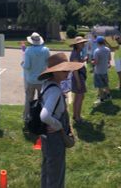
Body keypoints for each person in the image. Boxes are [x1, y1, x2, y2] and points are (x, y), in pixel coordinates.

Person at [37, 53, 83, 188]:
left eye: (67, 69)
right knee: (56, 175)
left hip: (46, 137)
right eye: (63, 70)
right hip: (55, 138)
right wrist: (59, 126)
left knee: (47, 170)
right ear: (54, 72)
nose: (67, 72)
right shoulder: (55, 91)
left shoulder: (46, 84)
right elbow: (44, 116)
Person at [22, 32, 51, 120]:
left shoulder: (28, 50)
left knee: (29, 99)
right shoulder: (46, 50)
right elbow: (48, 63)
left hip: (31, 79)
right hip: (42, 79)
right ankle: (40, 117)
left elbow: (27, 66)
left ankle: (27, 116)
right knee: (41, 100)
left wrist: (22, 64)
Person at [68, 37, 89, 122]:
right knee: (80, 97)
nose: (83, 44)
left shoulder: (77, 52)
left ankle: (75, 115)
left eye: (83, 42)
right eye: (81, 43)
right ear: (76, 45)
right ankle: (78, 117)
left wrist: (83, 60)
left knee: (78, 97)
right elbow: (75, 69)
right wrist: (78, 82)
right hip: (78, 78)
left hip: (79, 77)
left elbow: (77, 64)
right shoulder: (75, 54)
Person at [92, 37, 111, 104]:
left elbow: (96, 62)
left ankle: (101, 99)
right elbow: (109, 59)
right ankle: (108, 96)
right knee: (106, 84)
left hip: (98, 71)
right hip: (105, 70)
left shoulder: (96, 51)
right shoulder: (108, 49)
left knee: (100, 86)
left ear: (98, 43)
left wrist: (92, 62)